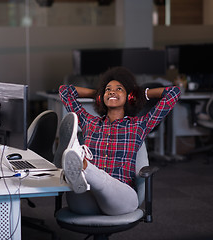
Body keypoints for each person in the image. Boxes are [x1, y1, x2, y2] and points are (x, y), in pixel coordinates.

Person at [58, 66, 181, 216]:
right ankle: (82, 170)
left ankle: (84, 167)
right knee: (80, 189)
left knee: (100, 181)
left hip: (121, 199)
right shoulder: (89, 123)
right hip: (88, 198)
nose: (112, 92)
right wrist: (97, 94)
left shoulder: (139, 125)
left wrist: (141, 94)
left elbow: (173, 93)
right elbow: (65, 91)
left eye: (119, 89)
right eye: (108, 89)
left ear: (129, 97)